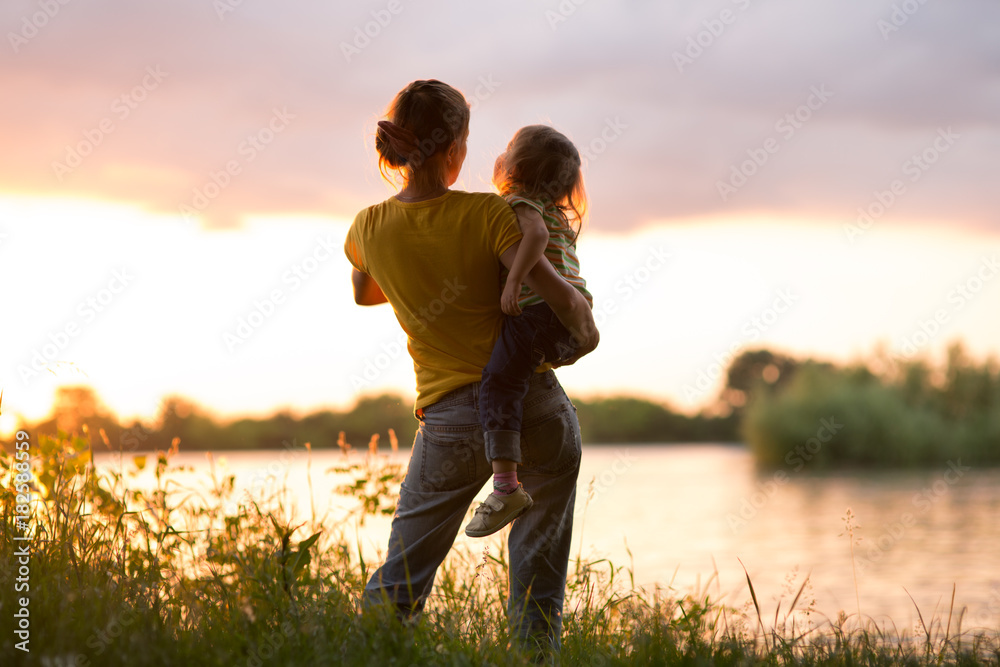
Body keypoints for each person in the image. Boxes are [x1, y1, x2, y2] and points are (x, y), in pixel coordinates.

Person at [344, 79, 598, 653]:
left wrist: (421, 270)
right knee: (538, 588)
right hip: (535, 408)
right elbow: (548, 287)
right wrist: (584, 324)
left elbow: (365, 292)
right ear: (455, 147)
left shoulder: (368, 227)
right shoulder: (489, 214)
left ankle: (366, 658)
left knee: (402, 578)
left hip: (450, 421)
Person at [464, 125, 594, 539]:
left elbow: (534, 238)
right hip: (570, 319)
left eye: (506, 149)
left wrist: (514, 280)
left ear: (516, 168)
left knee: (498, 384)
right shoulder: (553, 208)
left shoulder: (518, 202)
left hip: (539, 313)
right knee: (516, 375)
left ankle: (505, 487)